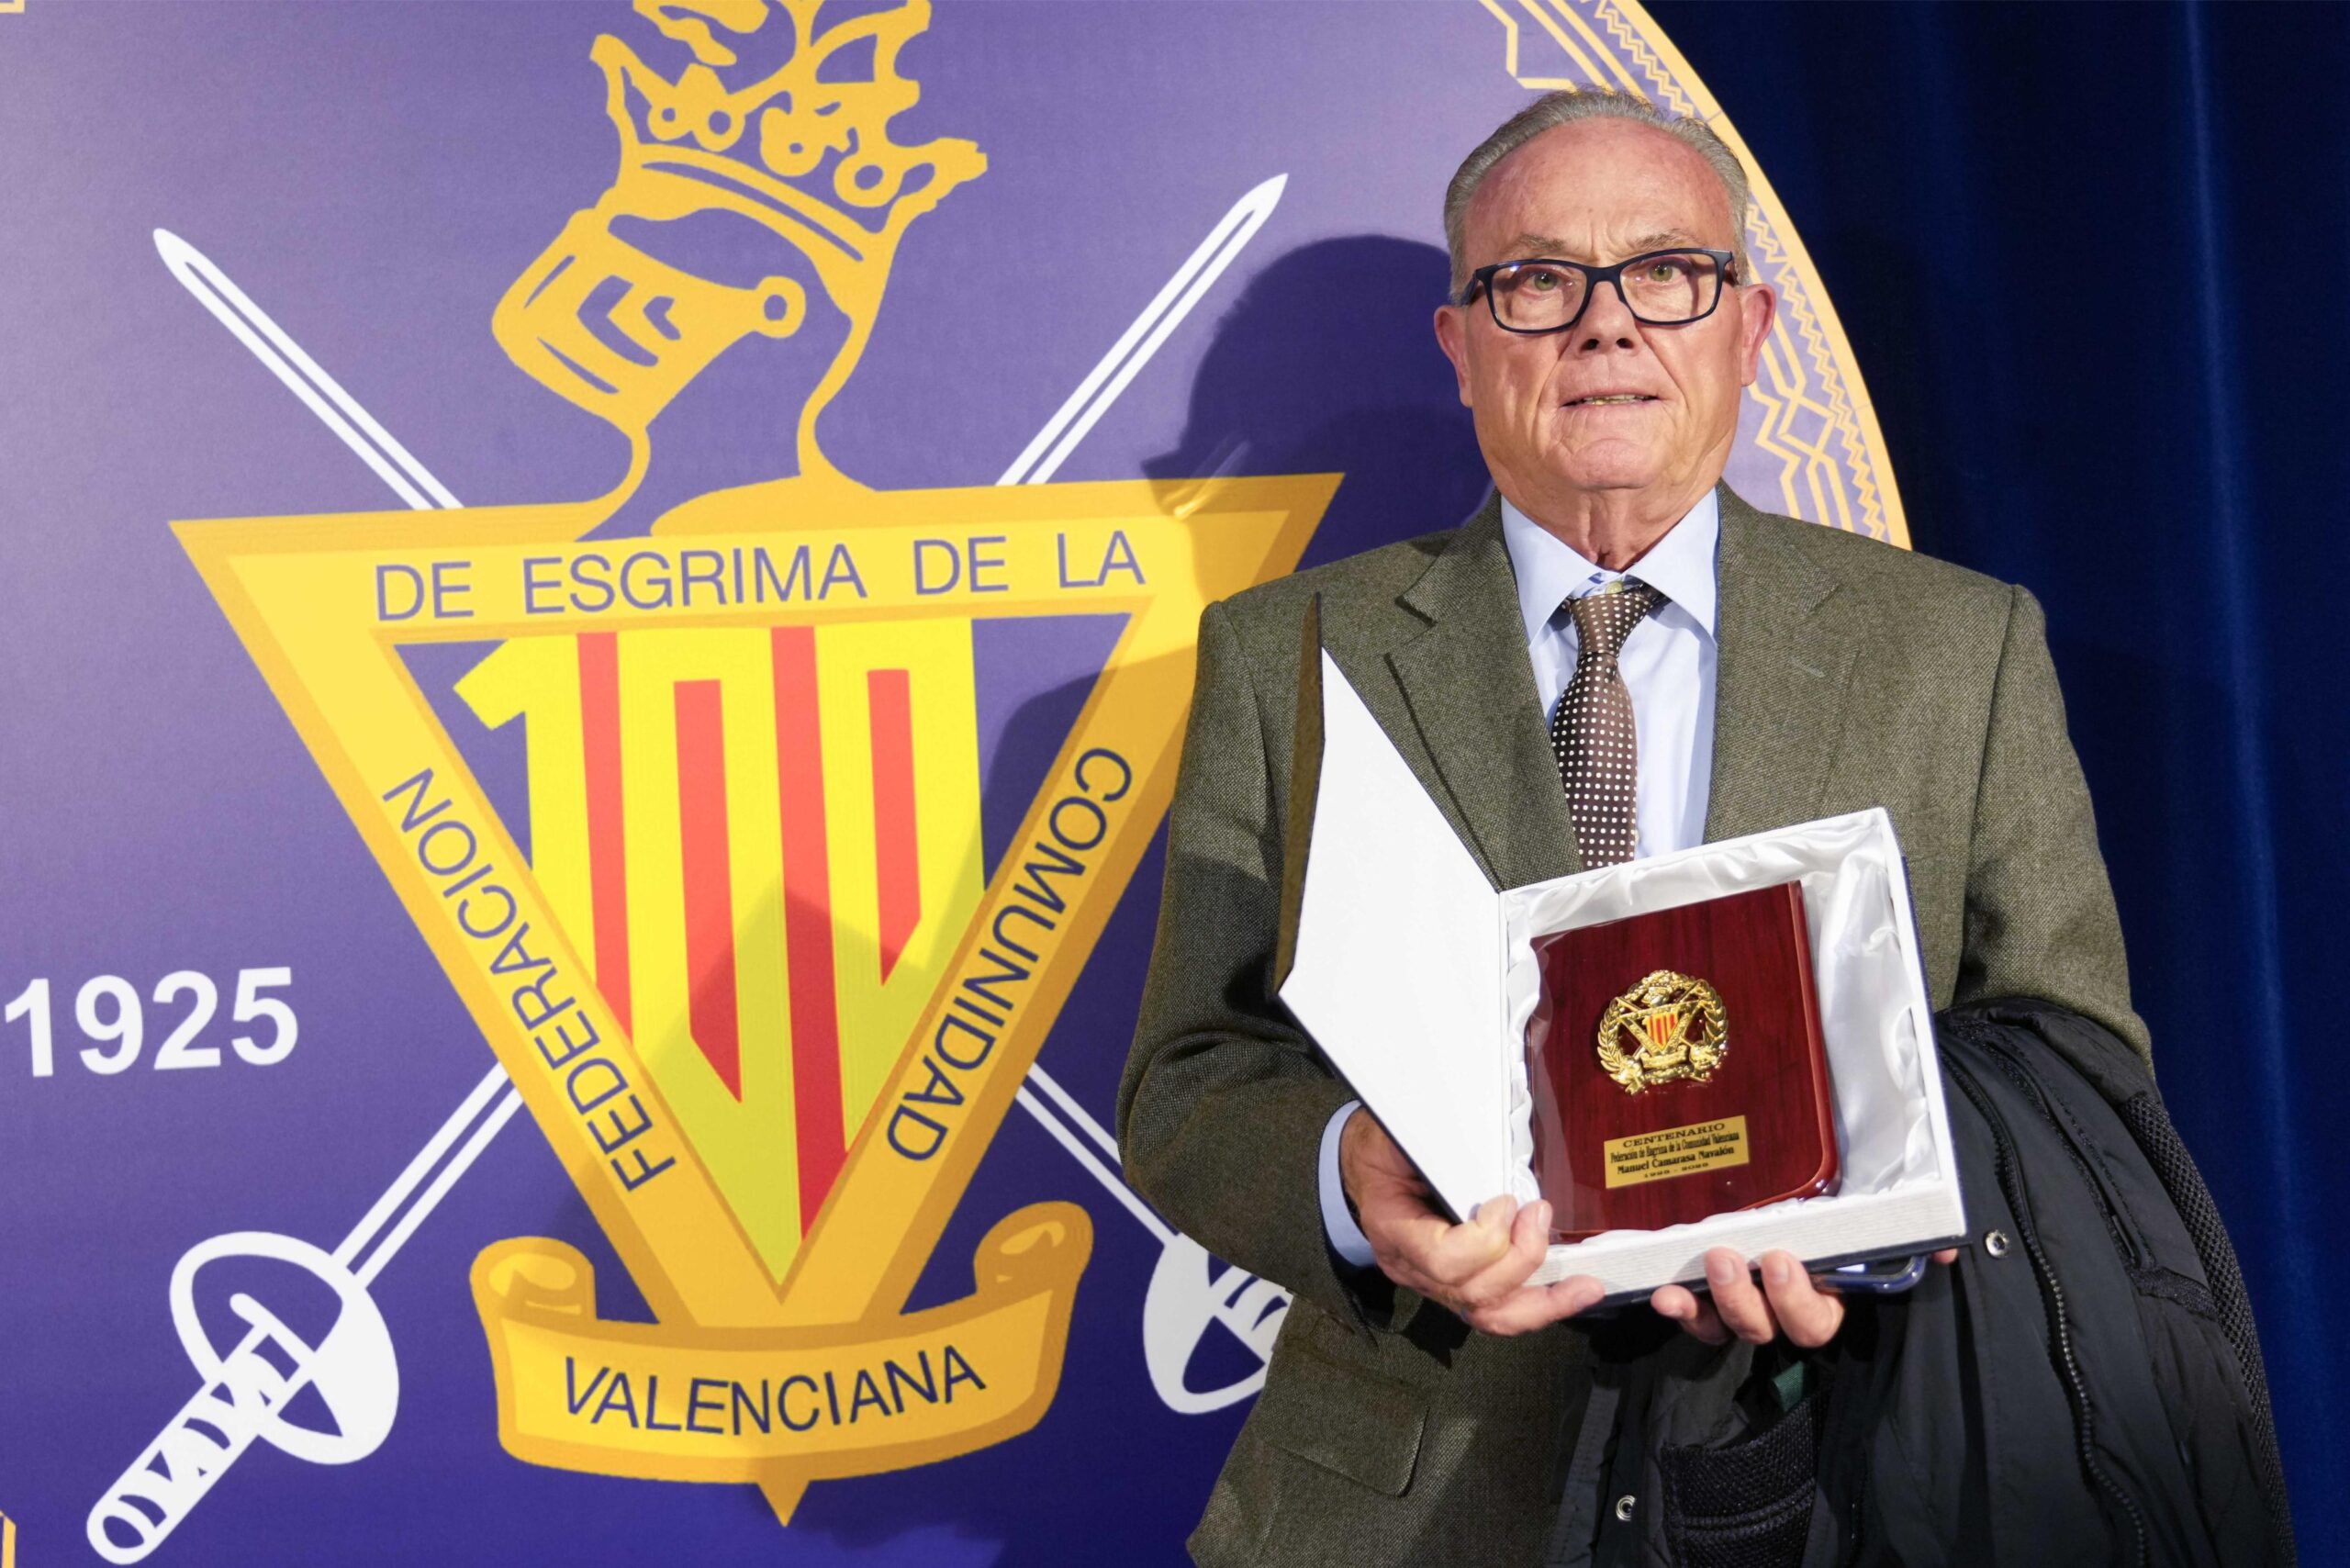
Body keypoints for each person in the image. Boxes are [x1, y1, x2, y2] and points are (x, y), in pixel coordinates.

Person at [1116, 89, 2144, 1567]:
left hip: (1835, 1463)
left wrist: (1871, 1219)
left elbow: (2075, 1065)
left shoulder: (1955, 649)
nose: (1608, 326)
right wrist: (1353, 1175)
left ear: (1750, 326)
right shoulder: (1291, 656)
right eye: (1540, 280)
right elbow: (1189, 1082)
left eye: (1667, 272)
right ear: (1460, 345)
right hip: (1411, 1497)